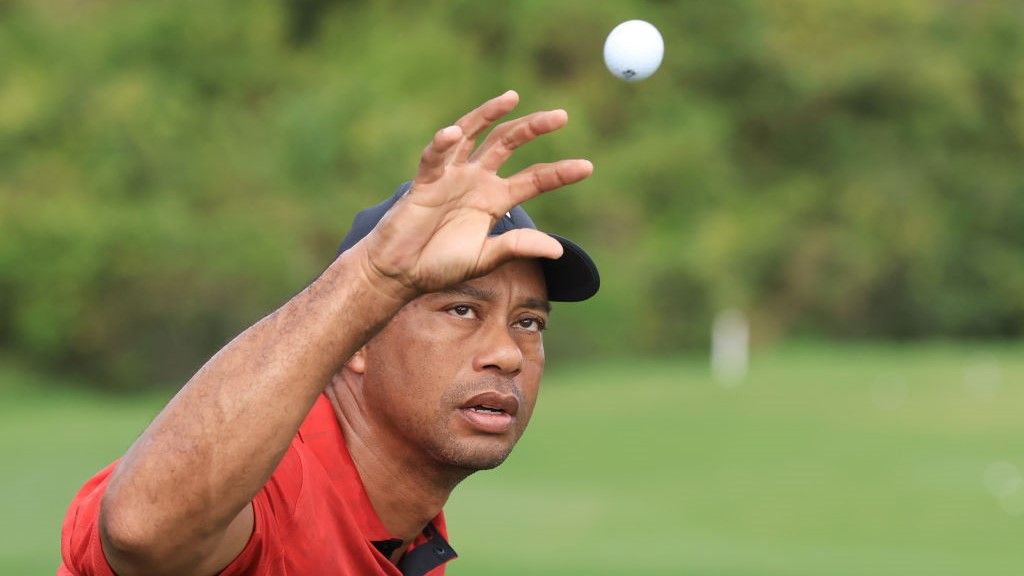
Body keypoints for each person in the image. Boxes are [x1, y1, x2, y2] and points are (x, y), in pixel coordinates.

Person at [58, 90, 599, 576]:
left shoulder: (411, 540)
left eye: (528, 323)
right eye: (460, 310)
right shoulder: (272, 483)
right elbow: (142, 532)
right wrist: (373, 278)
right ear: (357, 341)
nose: (507, 355)